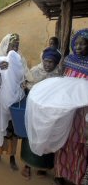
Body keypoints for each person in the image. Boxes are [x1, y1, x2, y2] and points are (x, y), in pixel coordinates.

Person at [0, 33, 30, 170]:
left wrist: (21, 79)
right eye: (12, 44)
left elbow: (25, 76)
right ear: (6, 45)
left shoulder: (20, 59)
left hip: (15, 100)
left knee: (12, 131)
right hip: (0, 101)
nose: (15, 47)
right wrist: (0, 67)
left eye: (17, 45)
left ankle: (12, 157)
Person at [21, 47, 62, 179]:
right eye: (46, 61)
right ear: (42, 60)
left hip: (50, 113)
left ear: (56, 63)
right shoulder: (34, 72)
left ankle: (42, 166)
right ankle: (27, 165)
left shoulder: (58, 74)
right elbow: (27, 86)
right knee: (31, 136)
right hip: (35, 112)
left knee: (46, 137)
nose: (48, 64)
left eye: (51, 62)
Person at [54, 29, 88, 185]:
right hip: (67, 109)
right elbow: (61, 81)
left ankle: (76, 176)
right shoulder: (68, 60)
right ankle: (60, 174)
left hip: (83, 112)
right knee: (63, 140)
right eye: (77, 43)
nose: (79, 46)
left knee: (80, 143)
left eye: (83, 44)